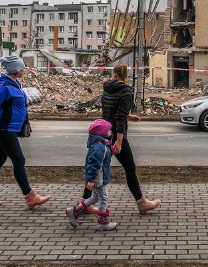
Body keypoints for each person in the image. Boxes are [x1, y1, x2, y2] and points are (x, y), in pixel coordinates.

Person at [81, 64, 161, 215]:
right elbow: (118, 116)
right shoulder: (126, 91)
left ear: (114, 74)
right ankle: (142, 203)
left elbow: (109, 110)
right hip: (115, 135)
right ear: (126, 75)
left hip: (103, 131)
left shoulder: (107, 88)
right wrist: (118, 140)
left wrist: (129, 116)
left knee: (96, 167)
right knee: (130, 168)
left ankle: (84, 204)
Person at [0, 55, 50, 209]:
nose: (24, 70)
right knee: (19, 160)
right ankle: (31, 197)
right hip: (3, 130)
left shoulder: (15, 84)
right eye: (22, 68)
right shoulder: (4, 87)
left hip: (7, 129)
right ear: (15, 70)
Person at [65, 119, 117, 231]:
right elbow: (94, 164)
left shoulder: (101, 144)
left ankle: (75, 211)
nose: (111, 131)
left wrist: (111, 148)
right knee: (103, 197)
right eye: (108, 130)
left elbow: (104, 155)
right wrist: (91, 180)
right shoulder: (99, 147)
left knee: (94, 197)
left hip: (98, 176)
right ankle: (102, 223)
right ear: (101, 133)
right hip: (98, 177)